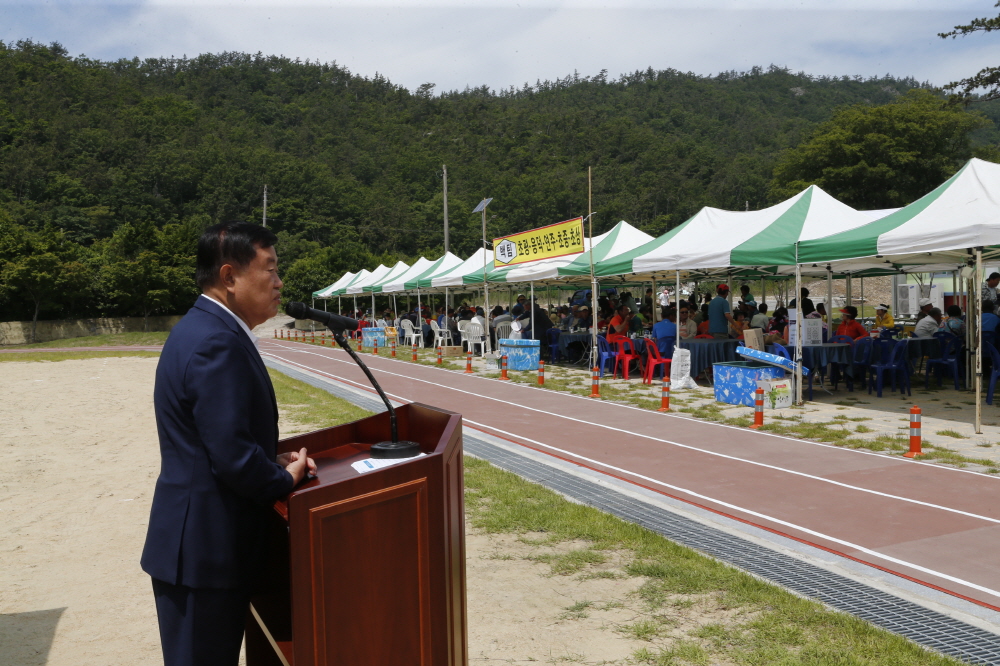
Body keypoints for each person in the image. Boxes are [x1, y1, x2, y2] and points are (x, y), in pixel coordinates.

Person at [142, 222, 316, 666]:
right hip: (204, 554)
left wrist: (265, 456)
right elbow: (233, 458)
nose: (279, 283)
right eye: (270, 270)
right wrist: (282, 476)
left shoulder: (206, 328)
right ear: (230, 276)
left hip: (205, 547)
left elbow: (220, 439)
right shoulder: (216, 341)